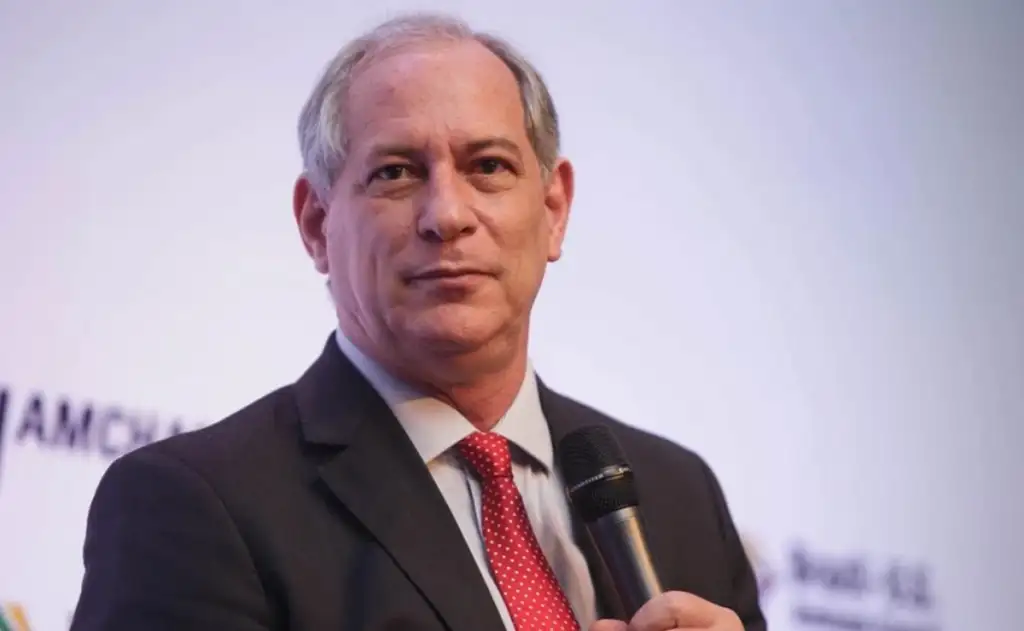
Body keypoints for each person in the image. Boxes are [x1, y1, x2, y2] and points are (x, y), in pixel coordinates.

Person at [69, 12, 766, 631]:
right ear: (316, 224)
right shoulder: (196, 505)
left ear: (554, 209)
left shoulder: (679, 495)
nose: (447, 215)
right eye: (397, 173)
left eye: (488, 165)